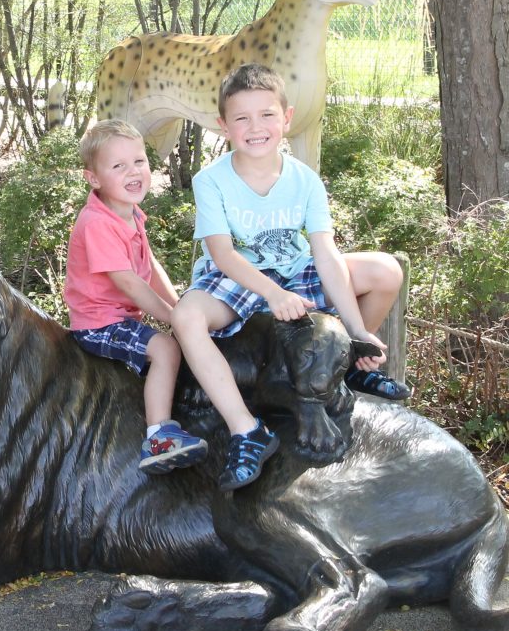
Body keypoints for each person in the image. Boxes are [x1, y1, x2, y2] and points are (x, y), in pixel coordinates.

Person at [171, 63, 410, 491]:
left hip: (293, 267)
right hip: (238, 277)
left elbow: (324, 252)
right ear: (224, 126)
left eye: (266, 115)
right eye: (242, 118)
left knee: (385, 271)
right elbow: (222, 255)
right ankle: (246, 430)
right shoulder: (212, 180)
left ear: (286, 118)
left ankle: (349, 366)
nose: (255, 127)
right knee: (186, 318)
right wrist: (273, 293)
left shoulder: (304, 179)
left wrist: (357, 330)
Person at [64, 119, 208, 474]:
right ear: (93, 179)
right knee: (167, 348)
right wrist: (171, 319)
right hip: (99, 323)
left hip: (122, 318)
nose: (134, 172)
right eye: (118, 166)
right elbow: (128, 283)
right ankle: (159, 438)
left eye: (139, 161)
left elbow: (149, 265)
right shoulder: (97, 222)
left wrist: (178, 306)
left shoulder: (129, 214)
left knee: (184, 333)